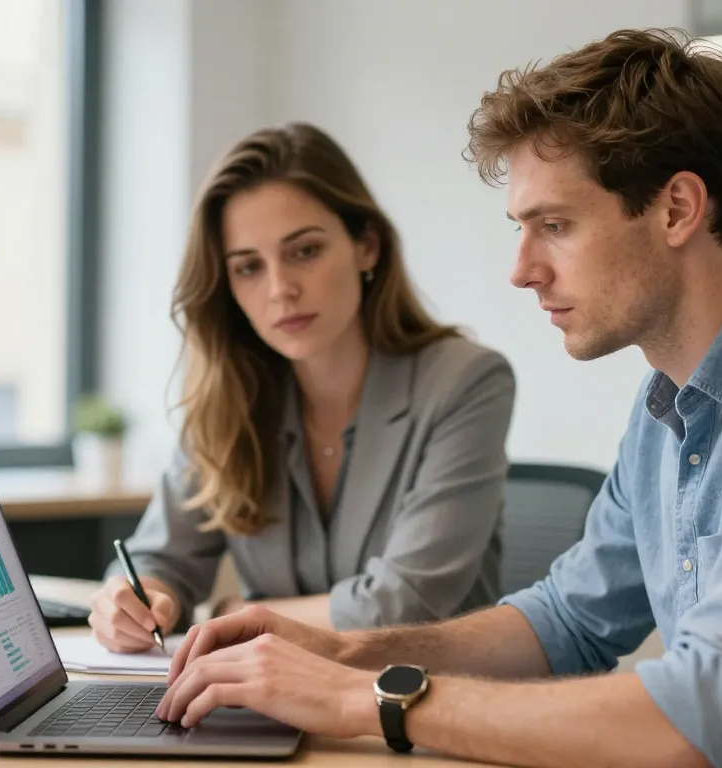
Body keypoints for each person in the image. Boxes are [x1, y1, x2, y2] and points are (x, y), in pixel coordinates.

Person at [152, 28, 722, 768]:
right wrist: (347, 650)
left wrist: (362, 698)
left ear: (677, 209)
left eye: (555, 227)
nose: (522, 269)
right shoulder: (667, 403)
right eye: (521, 229)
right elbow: (567, 622)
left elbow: (711, 714)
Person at [88, 123, 516, 653]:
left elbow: (405, 603)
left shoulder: (465, 381)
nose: (280, 289)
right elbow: (160, 560)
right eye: (248, 267)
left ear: (367, 247)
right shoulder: (230, 397)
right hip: (275, 706)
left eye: (305, 251)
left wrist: (232, 614)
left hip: (423, 707)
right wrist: (136, 600)